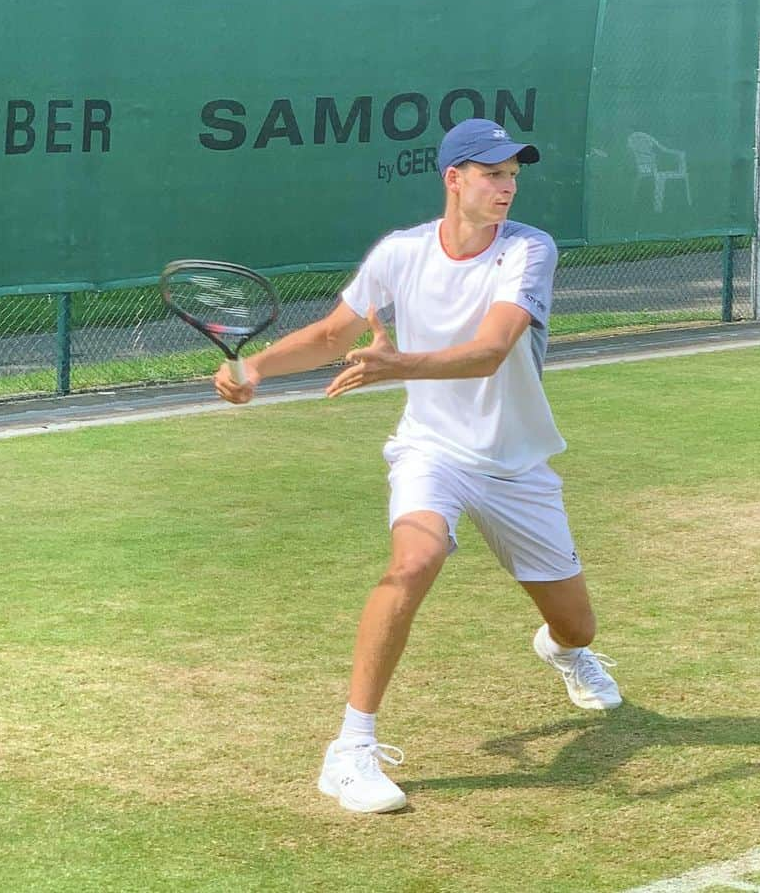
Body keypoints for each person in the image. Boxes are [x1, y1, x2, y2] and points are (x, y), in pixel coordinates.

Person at [213, 118, 622, 814]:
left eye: (514, 174)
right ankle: (350, 749)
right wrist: (254, 366)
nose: (507, 187)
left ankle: (562, 651)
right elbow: (333, 334)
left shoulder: (529, 250)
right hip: (432, 450)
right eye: (493, 174)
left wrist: (396, 363)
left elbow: (491, 350)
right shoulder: (400, 254)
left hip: (518, 464)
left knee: (578, 626)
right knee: (411, 562)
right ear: (453, 179)